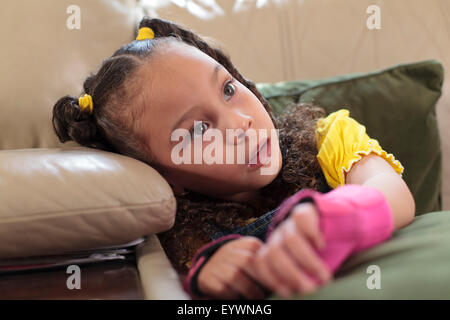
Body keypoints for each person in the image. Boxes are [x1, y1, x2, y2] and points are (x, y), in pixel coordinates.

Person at [52, 17, 415, 300]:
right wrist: (211, 276)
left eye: (228, 89)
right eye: (196, 131)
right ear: (167, 179)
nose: (240, 124)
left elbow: (390, 192)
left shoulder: (328, 136)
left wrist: (339, 216)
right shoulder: (182, 240)